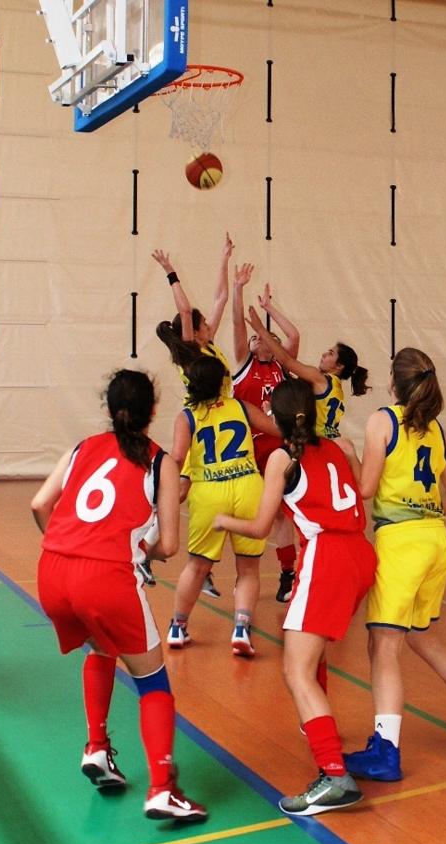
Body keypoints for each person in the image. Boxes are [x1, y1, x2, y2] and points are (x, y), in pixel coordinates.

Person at [31, 370, 207, 821]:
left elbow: (40, 504)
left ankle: (97, 747)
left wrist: (67, 549)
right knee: (153, 682)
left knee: (102, 646)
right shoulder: (160, 462)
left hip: (52, 570)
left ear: (109, 409)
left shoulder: (81, 448)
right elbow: (170, 545)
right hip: (105, 577)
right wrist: (142, 550)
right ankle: (163, 788)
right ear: (153, 411)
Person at [341, 348, 446, 783]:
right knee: (423, 637)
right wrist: (423, 514)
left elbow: (365, 488)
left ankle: (385, 750)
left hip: (402, 544)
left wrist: (348, 453)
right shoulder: (438, 429)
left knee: (383, 646)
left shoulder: (383, 421)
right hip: (437, 540)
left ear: (394, 382)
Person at [214, 378, 376, 816]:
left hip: (328, 557)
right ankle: (316, 727)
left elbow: (260, 528)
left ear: (276, 418)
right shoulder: (337, 446)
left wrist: (224, 520)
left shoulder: (283, 457)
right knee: (309, 648)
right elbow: (360, 490)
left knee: (295, 668)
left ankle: (334, 775)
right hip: (360, 553)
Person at [166, 354, 280, 657]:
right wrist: (272, 411)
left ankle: (178, 626)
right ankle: (241, 628)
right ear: (222, 382)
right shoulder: (240, 406)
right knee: (249, 568)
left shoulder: (187, 416)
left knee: (197, 565)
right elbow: (276, 429)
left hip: (209, 491)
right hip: (247, 486)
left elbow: (177, 458)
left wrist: (165, 489)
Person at [151, 234, 235, 597]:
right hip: (203, 424)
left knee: (191, 491)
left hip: (221, 420)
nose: (209, 325)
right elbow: (186, 311)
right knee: (191, 491)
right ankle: (148, 540)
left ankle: (152, 546)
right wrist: (170, 271)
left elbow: (221, 299)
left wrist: (224, 258)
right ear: (195, 330)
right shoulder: (191, 352)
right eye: (204, 324)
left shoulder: (209, 345)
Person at [231, 267, 300, 603]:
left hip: (279, 451)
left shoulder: (281, 366)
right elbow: (237, 325)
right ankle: (242, 574)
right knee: (250, 515)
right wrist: (238, 288)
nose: (258, 340)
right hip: (248, 451)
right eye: (255, 337)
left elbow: (294, 336)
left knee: (281, 514)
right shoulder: (244, 364)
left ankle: (288, 573)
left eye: (264, 338)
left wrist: (270, 311)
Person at [246, 305, 369, 439]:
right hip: (331, 440)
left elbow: (287, 360)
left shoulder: (320, 378)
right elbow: (294, 336)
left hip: (316, 441)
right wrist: (268, 307)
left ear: (339, 366)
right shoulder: (337, 388)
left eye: (330, 353)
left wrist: (261, 329)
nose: (323, 354)